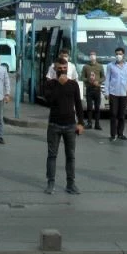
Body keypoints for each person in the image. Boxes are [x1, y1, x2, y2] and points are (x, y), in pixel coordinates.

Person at [43, 58, 85, 195]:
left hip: (70, 125)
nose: (62, 70)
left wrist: (81, 123)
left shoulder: (73, 85)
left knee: (71, 156)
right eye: (59, 68)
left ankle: (71, 184)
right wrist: (59, 86)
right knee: (52, 155)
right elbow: (49, 100)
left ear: (68, 68)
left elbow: (78, 104)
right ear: (55, 69)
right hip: (54, 124)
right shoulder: (51, 84)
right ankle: (50, 183)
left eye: (64, 67)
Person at [105, 47, 127, 142]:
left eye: (120, 54)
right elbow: (107, 79)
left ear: (123, 55)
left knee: (122, 115)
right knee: (113, 114)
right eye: (117, 54)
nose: (118, 55)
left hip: (124, 94)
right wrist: (106, 92)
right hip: (113, 93)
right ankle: (113, 134)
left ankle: (120, 133)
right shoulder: (110, 66)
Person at [81, 50, 105, 130]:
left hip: (97, 89)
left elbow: (103, 77)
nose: (92, 56)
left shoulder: (100, 66)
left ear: (96, 56)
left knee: (97, 108)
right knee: (89, 107)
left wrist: (98, 81)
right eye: (91, 55)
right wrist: (89, 80)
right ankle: (89, 123)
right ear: (89, 57)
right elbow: (82, 77)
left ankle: (97, 124)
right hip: (89, 89)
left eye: (93, 55)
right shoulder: (85, 67)